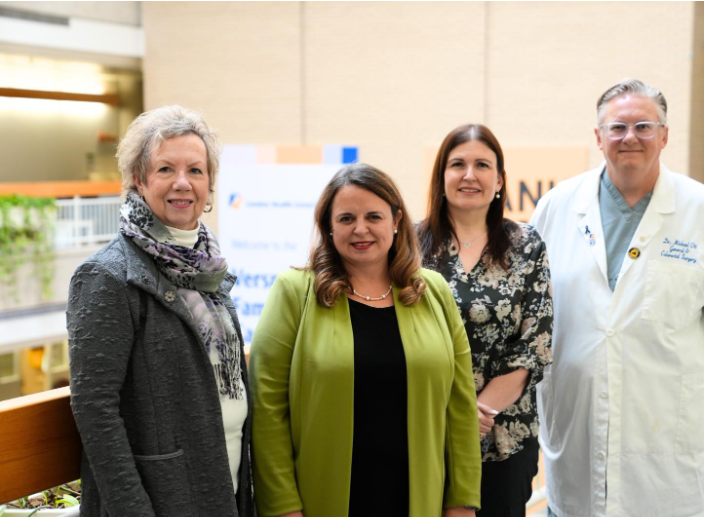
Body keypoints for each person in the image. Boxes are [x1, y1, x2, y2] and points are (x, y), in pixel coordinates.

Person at [530, 79, 704, 517]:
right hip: (577, 424)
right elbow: (536, 309)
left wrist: (693, 385)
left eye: (643, 126)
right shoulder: (556, 207)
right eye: (616, 128)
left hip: (666, 430)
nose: (629, 137)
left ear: (665, 136)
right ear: (598, 137)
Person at [250, 163, 481, 517]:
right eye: (346, 218)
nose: (361, 229)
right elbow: (267, 410)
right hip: (322, 499)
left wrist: (462, 501)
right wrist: (282, 505)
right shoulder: (294, 292)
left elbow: (461, 408)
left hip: (419, 499)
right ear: (328, 225)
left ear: (396, 220)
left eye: (374, 216)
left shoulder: (433, 292)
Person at [67, 105, 252, 517]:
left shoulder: (211, 269)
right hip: (162, 498)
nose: (182, 183)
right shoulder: (107, 275)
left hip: (227, 481)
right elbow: (95, 409)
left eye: (196, 170)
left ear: (210, 184)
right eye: (166, 169)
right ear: (139, 179)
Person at [418, 124, 554, 517]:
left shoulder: (526, 245)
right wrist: (451, 416)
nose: (469, 175)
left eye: (482, 164)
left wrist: (474, 413)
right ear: (441, 176)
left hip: (504, 436)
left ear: (499, 180)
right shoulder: (409, 246)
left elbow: (535, 344)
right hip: (427, 430)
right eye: (457, 164)